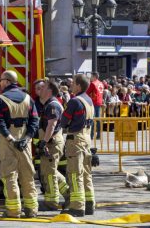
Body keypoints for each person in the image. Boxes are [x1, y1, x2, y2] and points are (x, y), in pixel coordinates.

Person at [0, 71, 39, 218]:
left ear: (6, 82)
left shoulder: (0, 100)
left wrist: (11, 139)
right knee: (27, 175)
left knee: (9, 175)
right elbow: (35, 120)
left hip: (9, 142)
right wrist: (27, 138)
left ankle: (13, 210)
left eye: (1, 80)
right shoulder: (28, 98)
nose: (0, 83)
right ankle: (32, 210)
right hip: (25, 141)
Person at [60, 74, 95, 217]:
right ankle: (89, 203)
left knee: (75, 174)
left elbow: (63, 121)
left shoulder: (74, 102)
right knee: (86, 173)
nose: (71, 85)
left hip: (75, 139)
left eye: (73, 83)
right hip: (86, 138)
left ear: (79, 86)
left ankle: (77, 207)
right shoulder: (89, 100)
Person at [37, 80, 69, 211]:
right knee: (49, 171)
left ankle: (52, 202)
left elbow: (52, 125)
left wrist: (44, 141)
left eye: (42, 88)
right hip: (52, 142)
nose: (39, 90)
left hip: (52, 143)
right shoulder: (49, 105)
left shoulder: (52, 105)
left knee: (49, 172)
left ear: (49, 91)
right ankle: (68, 194)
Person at [86, 72, 104, 139]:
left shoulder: (93, 84)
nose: (90, 78)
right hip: (99, 101)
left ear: (94, 77)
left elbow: (87, 92)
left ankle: (91, 135)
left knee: (92, 118)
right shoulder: (101, 83)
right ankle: (99, 134)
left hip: (94, 102)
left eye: (91, 76)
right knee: (98, 118)